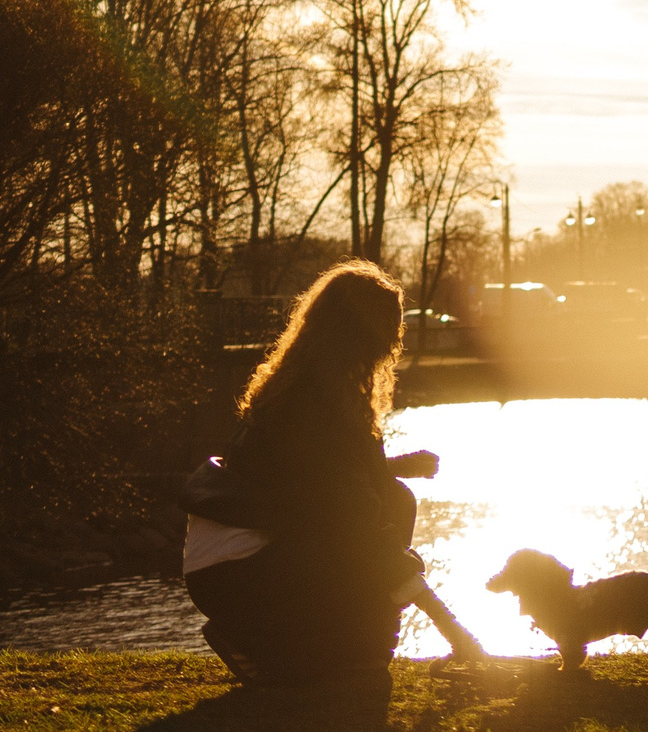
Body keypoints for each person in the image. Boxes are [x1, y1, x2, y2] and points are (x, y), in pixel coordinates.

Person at [182, 260, 483, 687]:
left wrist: (391, 468)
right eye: (389, 333)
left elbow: (312, 481)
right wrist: (455, 630)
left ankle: (343, 643)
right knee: (383, 512)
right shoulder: (315, 404)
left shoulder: (303, 385)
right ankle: (252, 635)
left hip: (227, 559)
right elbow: (350, 516)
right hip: (237, 571)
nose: (392, 345)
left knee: (391, 499)